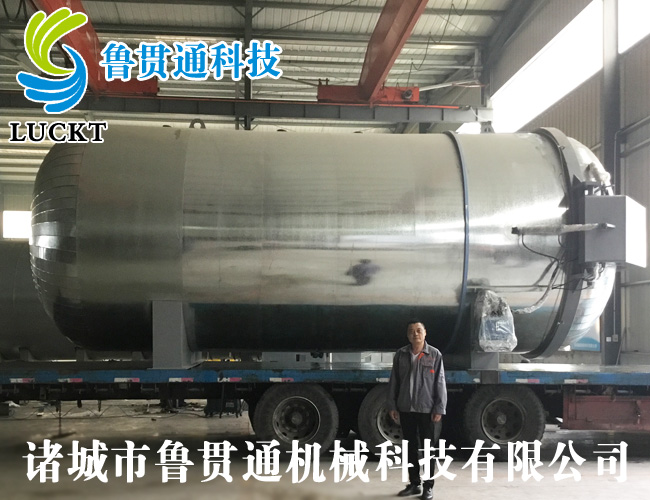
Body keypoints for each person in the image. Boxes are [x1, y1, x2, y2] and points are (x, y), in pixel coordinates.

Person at [387, 320, 447, 500]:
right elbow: (394, 381)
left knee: (428, 448)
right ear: (408, 335)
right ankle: (414, 483)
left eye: (419, 330)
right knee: (410, 447)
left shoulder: (434, 354)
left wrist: (439, 407)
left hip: (426, 409)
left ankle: (428, 486)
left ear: (425, 333)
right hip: (406, 408)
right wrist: (392, 405)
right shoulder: (401, 355)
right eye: (412, 331)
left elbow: (440, 382)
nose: (415, 334)